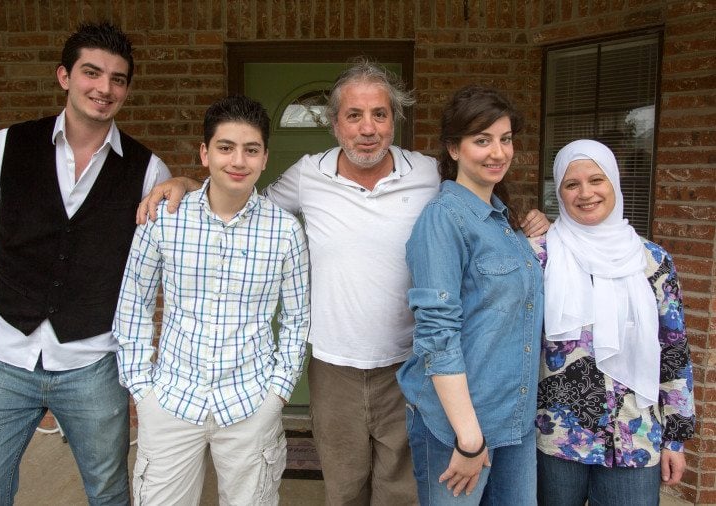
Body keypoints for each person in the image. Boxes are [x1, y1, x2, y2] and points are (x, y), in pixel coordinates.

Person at [137, 60, 549, 505]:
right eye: (354, 115)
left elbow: (478, 199)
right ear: (335, 124)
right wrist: (185, 182)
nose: (367, 128)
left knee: (401, 493)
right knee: (343, 489)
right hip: (334, 369)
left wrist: (522, 222)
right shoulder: (307, 175)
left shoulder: (428, 174)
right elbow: (243, 202)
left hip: (406, 366)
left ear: (395, 121)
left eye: (380, 114)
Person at [0, 21, 171, 505]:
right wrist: (29, 288)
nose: (104, 87)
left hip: (92, 364)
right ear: (64, 77)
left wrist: (180, 182)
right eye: (91, 73)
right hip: (6, 360)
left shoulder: (146, 168)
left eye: (117, 79)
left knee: (109, 494)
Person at [114, 95, 310, 505]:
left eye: (251, 149)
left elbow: (297, 321)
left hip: (250, 402)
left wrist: (277, 395)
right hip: (169, 399)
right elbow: (133, 304)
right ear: (205, 153)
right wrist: (141, 390)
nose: (238, 160)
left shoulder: (285, 232)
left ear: (264, 157)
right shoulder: (164, 219)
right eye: (225, 147)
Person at [398, 85, 544, 505]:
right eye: (482, 140)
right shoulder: (443, 221)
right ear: (454, 149)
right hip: (458, 426)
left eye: (505, 139)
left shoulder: (503, 220)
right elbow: (437, 336)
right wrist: (468, 439)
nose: (498, 152)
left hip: (513, 418)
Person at [533, 139, 695, 505]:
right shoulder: (539, 257)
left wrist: (675, 438)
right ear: (558, 191)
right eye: (571, 184)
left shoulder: (652, 261)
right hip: (555, 438)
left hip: (634, 439)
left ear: (614, 185)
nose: (585, 193)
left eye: (596, 180)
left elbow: (674, 351)